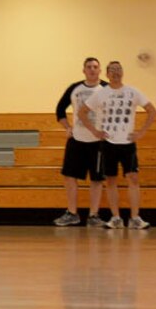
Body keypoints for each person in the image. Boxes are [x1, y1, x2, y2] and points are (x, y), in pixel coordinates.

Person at [79, 60, 156, 230]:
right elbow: (82, 112)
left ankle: (135, 217)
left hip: (127, 142)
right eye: (112, 70)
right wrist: (95, 131)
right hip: (108, 143)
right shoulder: (101, 93)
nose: (115, 72)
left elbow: (152, 110)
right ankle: (116, 218)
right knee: (110, 180)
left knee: (133, 179)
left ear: (122, 72)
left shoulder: (132, 91)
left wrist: (141, 132)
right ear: (107, 74)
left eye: (118, 69)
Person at [53, 56, 111, 226]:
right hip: (77, 140)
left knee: (97, 179)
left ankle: (94, 216)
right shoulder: (75, 88)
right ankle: (72, 213)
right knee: (70, 176)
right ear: (84, 70)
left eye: (95, 66)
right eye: (89, 66)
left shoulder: (107, 89)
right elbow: (60, 109)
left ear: (100, 70)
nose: (92, 69)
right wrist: (67, 128)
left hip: (99, 142)